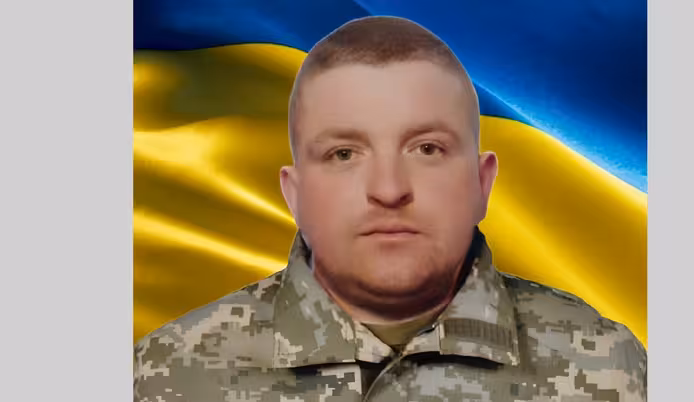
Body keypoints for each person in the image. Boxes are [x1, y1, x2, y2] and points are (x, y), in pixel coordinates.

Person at [134, 16, 647, 402]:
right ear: (294, 193)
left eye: (427, 149)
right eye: (344, 154)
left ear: (481, 183)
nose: (388, 189)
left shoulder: (609, 367)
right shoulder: (168, 374)